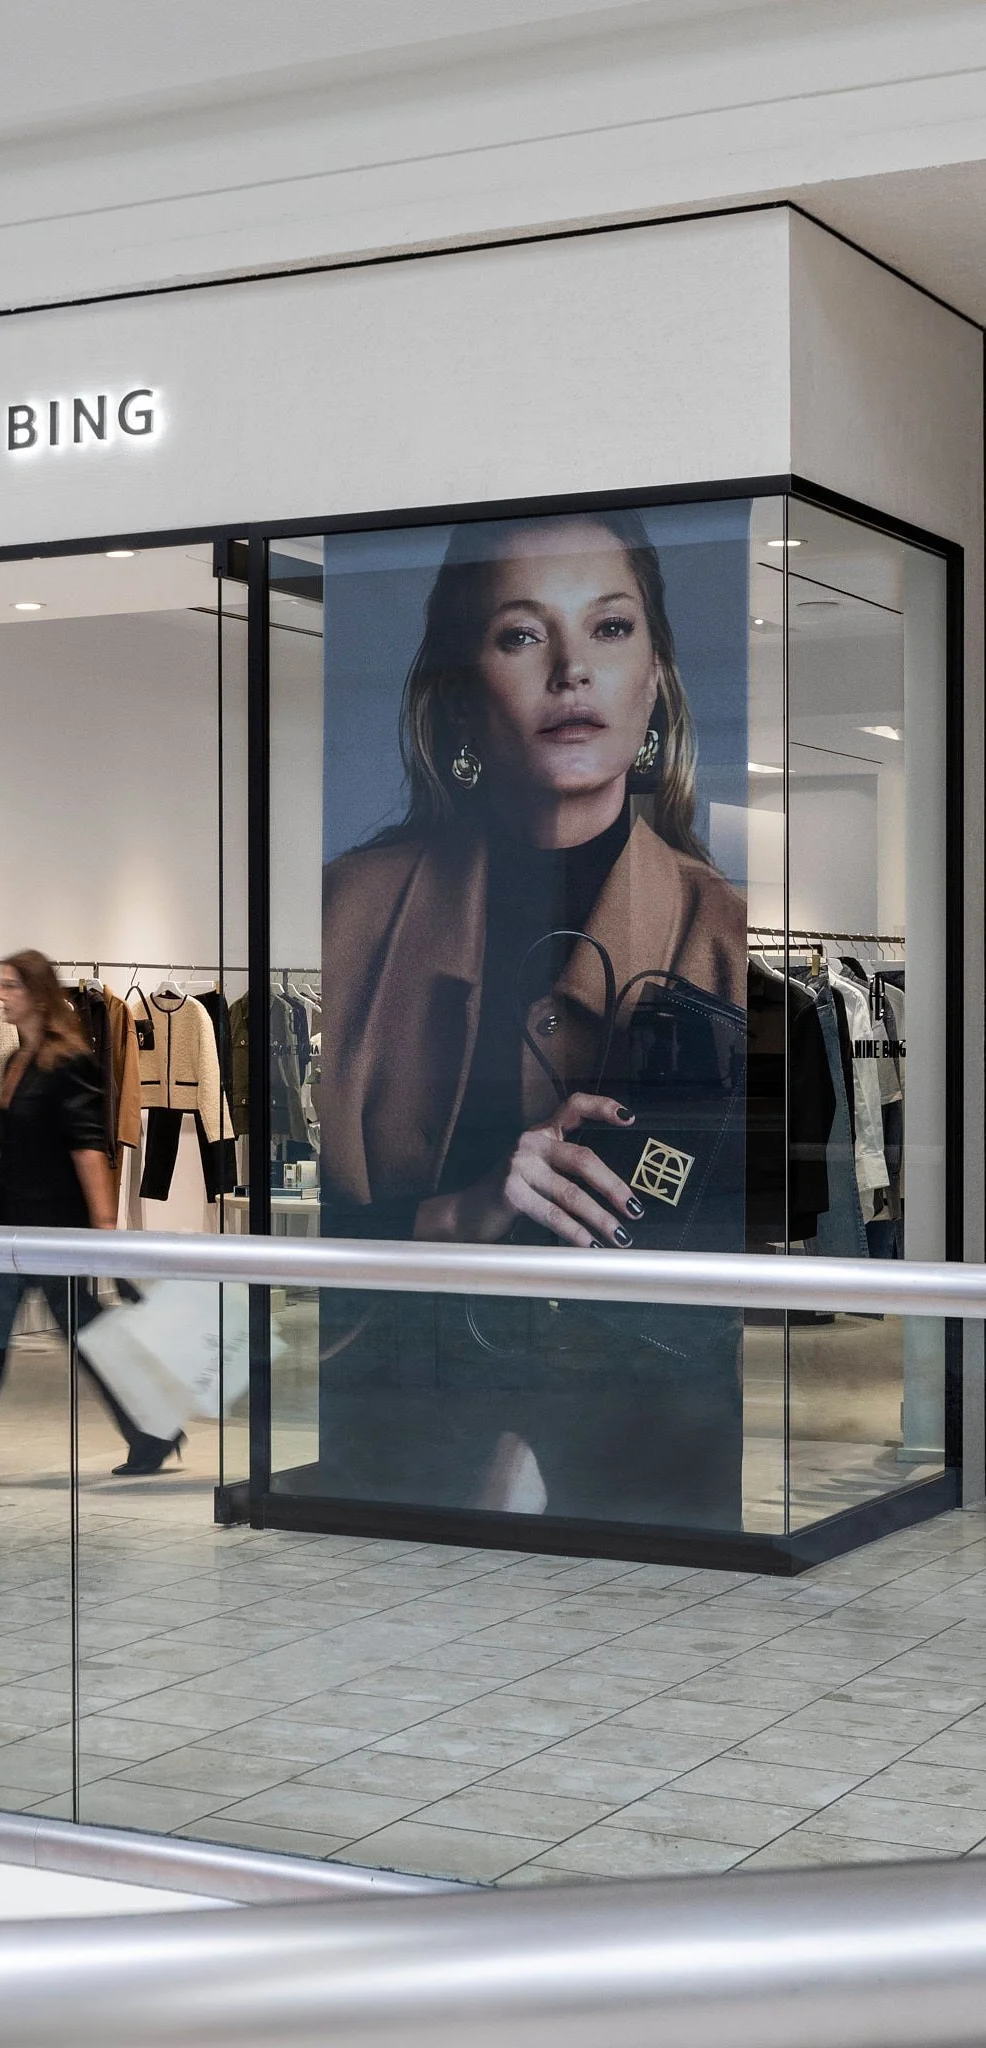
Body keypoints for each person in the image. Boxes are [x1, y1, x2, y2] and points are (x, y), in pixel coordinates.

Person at [320, 508, 747, 1524]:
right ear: (464, 687)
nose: (570, 671)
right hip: (401, 1429)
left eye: (607, 628)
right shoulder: (345, 914)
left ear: (653, 676)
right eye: (520, 633)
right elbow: (297, 1225)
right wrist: (456, 1213)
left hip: (652, 1444)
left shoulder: (724, 936)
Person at [0, 949, 181, 1492]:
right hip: (9, 1226)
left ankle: (150, 1432)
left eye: (10, 985)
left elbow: (88, 1149)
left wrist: (104, 1229)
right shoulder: (19, 1061)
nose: (0, 993)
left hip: (53, 1229)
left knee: (75, 1336)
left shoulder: (69, 1061)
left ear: (36, 993)